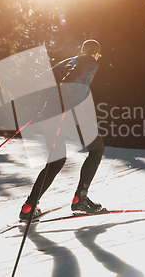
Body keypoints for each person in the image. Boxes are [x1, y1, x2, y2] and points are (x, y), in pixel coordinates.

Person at [19, 39, 105, 221]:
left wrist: (40, 108)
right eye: (99, 55)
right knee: (97, 149)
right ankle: (80, 199)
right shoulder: (90, 61)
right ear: (95, 53)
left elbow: (43, 81)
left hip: (51, 114)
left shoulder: (66, 61)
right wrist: (64, 103)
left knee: (56, 161)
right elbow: (70, 79)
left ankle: (29, 206)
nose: (98, 58)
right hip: (69, 111)